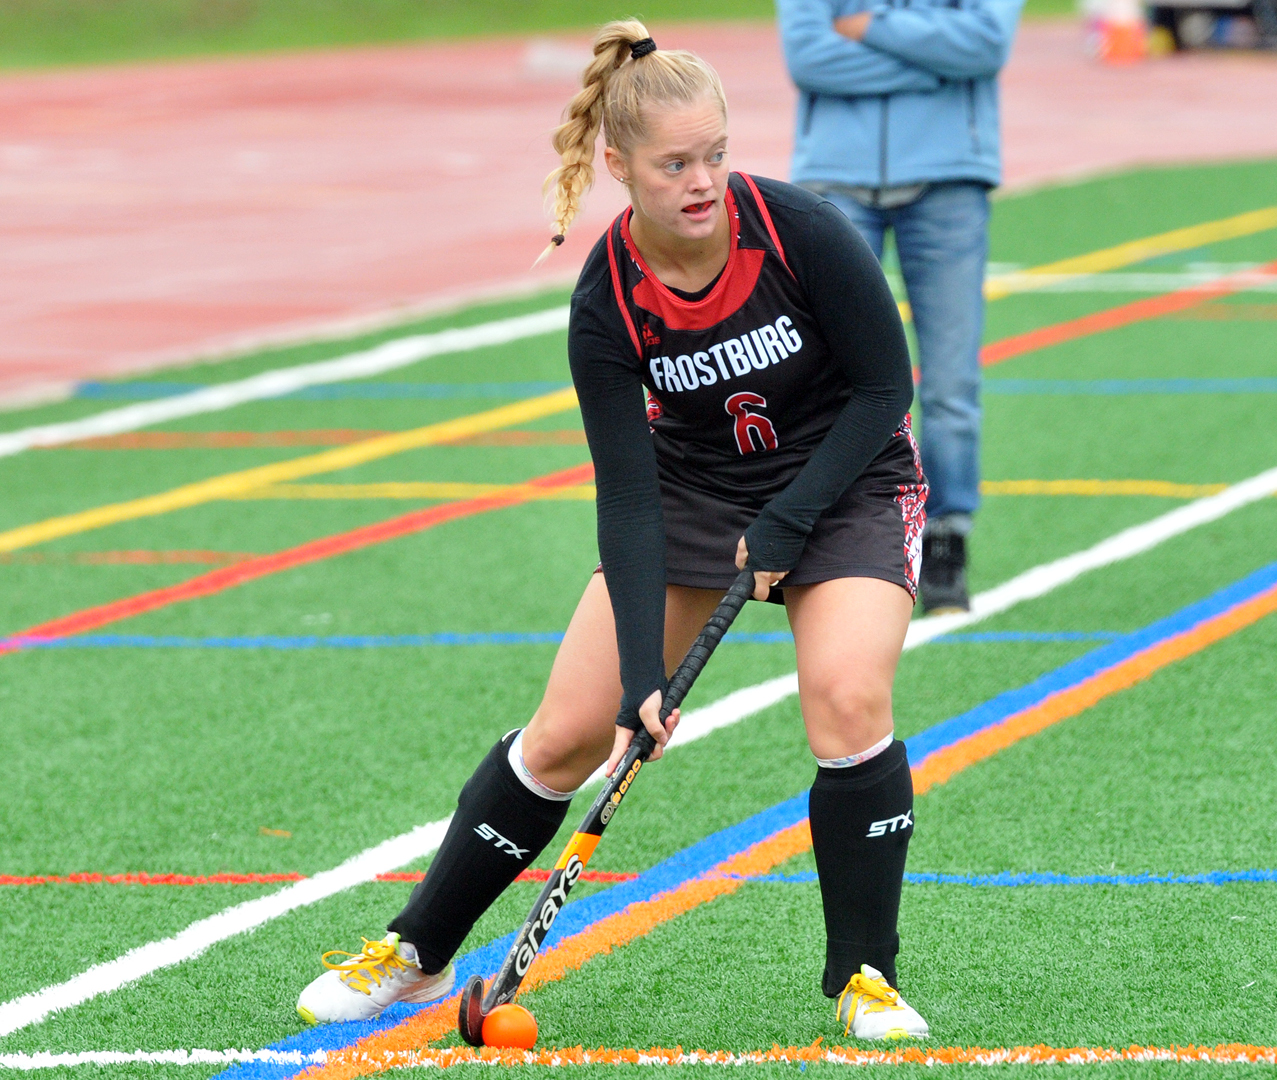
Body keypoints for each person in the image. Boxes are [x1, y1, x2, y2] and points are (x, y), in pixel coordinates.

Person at [296, 20, 933, 1041]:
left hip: (846, 482)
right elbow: (631, 498)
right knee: (566, 733)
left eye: (715, 155)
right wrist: (645, 675)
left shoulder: (797, 230)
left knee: (848, 696)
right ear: (618, 165)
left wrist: (790, 517)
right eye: (675, 163)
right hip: (693, 497)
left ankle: (868, 973)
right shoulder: (608, 302)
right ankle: (418, 950)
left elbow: (884, 388)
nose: (702, 181)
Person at [778, 0, 1026, 614]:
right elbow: (808, 56)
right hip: (834, 180)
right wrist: (935, 65)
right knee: (825, 373)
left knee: (948, 377)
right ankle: (839, 536)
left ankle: (945, 536)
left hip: (949, 179)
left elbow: (985, 45)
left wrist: (872, 30)